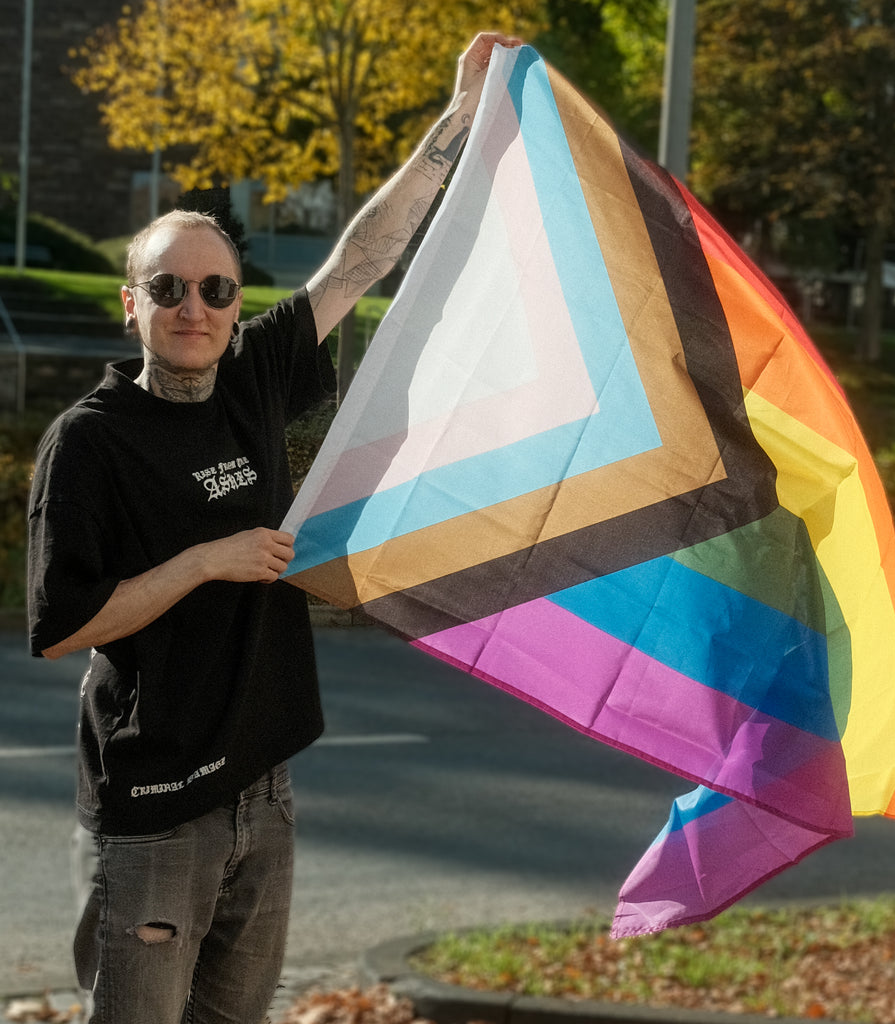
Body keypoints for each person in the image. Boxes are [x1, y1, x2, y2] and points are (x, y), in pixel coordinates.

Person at [26, 31, 521, 1024]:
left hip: (265, 789)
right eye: (167, 289)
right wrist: (206, 561)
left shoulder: (252, 374)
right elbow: (62, 627)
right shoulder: (88, 443)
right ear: (133, 307)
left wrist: (456, 126)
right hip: (156, 808)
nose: (194, 307)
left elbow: (359, 261)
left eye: (215, 288)